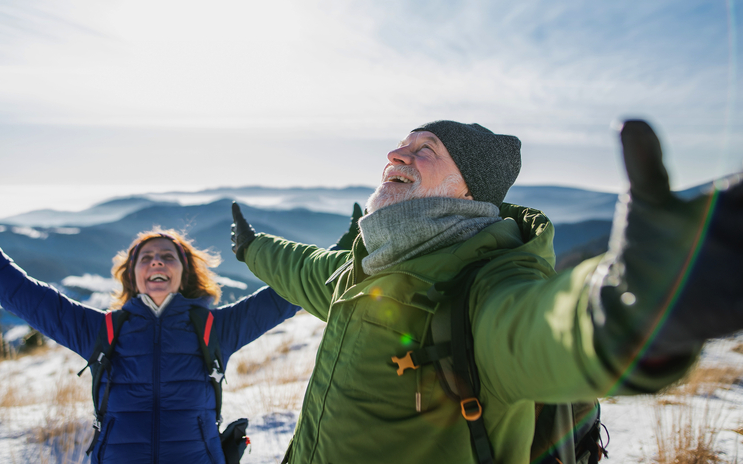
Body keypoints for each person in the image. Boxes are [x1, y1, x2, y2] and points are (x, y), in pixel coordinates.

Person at [230, 119, 743, 464]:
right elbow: (302, 268)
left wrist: (635, 305)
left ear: (469, 189)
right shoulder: (364, 269)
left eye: (425, 150)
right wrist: (252, 248)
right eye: (403, 144)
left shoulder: (484, 287)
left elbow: (541, 328)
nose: (396, 153)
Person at [0, 175, 299, 464]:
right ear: (132, 275)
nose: (156, 262)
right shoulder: (101, 331)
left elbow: (292, 291)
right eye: (146, 258)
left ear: (184, 273)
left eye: (168, 257)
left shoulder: (216, 329)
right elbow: (19, 293)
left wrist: (278, 252)